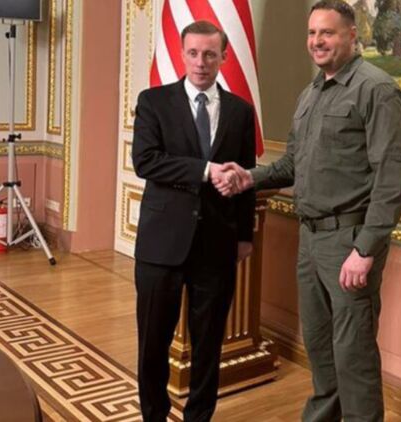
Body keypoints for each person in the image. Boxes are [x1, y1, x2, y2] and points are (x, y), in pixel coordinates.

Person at [228, 1, 401, 420]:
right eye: (312, 33)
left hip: (350, 241)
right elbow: (293, 164)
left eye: (327, 32)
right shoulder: (310, 94)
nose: (317, 41)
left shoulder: (377, 90)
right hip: (310, 239)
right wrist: (248, 178)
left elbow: (392, 178)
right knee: (320, 346)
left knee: (353, 352)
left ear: (351, 35)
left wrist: (365, 249)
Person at [131, 20, 255, 421]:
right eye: (194, 53)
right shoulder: (153, 101)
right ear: (182, 54)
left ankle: (199, 417)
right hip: (161, 244)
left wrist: (245, 236)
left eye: (210, 54)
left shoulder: (240, 111)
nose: (201, 62)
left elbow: (246, 180)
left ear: (224, 57)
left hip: (217, 244)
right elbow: (145, 161)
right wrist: (205, 170)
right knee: (153, 344)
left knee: (208, 347)